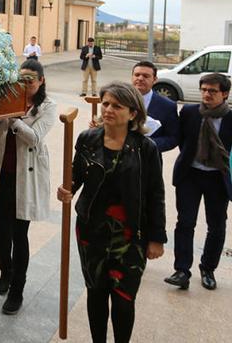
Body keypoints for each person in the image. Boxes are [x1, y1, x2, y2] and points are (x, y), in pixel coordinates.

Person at [57, 82, 166, 342]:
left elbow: (155, 194)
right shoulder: (87, 139)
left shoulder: (145, 148)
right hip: (91, 231)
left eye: (117, 106)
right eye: (106, 103)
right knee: (95, 294)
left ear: (133, 114)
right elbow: (76, 175)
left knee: (123, 300)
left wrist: (156, 237)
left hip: (131, 236)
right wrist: (67, 189)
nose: (108, 109)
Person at [0, 59, 57, 315]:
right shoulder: (9, 98)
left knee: (20, 234)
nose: (25, 84)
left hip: (26, 178)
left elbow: (34, 138)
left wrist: (14, 118)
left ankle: (17, 290)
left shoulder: (47, 106)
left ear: (41, 80)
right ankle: (5, 273)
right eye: (21, 79)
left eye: (31, 79)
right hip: (2, 174)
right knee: (2, 228)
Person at [165, 73, 232, 291]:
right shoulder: (190, 112)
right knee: (185, 222)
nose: (206, 94)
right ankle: (182, 270)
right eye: (204, 89)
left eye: (212, 91)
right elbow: (183, 141)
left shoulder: (230, 118)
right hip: (190, 176)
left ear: (224, 94)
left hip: (218, 178)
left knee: (217, 225)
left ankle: (208, 269)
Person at [130, 60, 179, 153]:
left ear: (155, 79)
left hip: (149, 161)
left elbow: (173, 138)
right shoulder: (119, 99)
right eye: (137, 75)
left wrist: (148, 145)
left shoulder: (167, 106)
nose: (140, 78)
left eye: (146, 76)